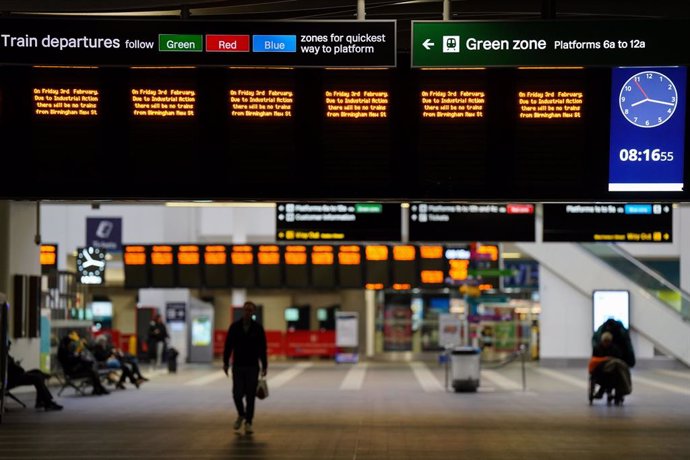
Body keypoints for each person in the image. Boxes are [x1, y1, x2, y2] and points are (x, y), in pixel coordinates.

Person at [223, 301, 268, 435]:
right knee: (237, 394)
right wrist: (225, 362)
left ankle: (248, 422)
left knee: (250, 396)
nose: (248, 312)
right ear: (243, 310)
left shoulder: (258, 328)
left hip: (252, 366)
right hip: (238, 365)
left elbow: (262, 348)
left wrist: (264, 365)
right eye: (246, 310)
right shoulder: (235, 327)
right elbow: (228, 346)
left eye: (251, 310)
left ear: (253, 312)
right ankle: (241, 414)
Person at [7, 342, 63, 411]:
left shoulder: (6, 355)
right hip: (12, 379)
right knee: (37, 378)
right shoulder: (4, 356)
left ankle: (40, 401)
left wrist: (15, 365)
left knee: (37, 372)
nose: (9, 348)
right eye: (8, 346)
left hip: (15, 375)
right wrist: (16, 365)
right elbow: (14, 369)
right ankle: (48, 403)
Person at [57, 331, 110, 395]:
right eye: (70, 343)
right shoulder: (64, 354)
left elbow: (75, 358)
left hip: (75, 368)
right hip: (72, 371)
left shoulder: (66, 351)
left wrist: (78, 355)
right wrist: (78, 356)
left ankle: (98, 388)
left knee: (92, 368)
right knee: (92, 369)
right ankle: (98, 388)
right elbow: (71, 361)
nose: (72, 344)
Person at [589, 330, 633, 404]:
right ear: (602, 341)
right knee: (606, 373)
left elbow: (619, 360)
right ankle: (603, 391)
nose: (606, 343)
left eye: (608, 341)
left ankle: (604, 391)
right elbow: (594, 361)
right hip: (600, 371)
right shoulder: (597, 348)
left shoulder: (615, 349)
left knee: (615, 372)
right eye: (605, 341)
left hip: (613, 372)